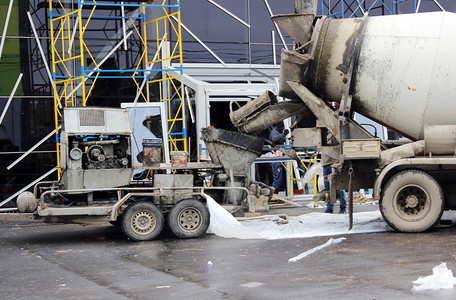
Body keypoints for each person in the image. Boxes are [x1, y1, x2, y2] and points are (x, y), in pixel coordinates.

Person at [269, 122, 289, 193]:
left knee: (284, 178)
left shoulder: (278, 131)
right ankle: (273, 194)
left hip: (281, 158)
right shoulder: (274, 132)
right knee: (278, 178)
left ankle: (286, 193)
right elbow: (274, 139)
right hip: (276, 158)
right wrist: (283, 134)